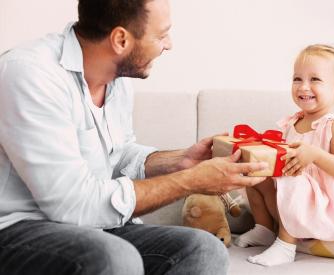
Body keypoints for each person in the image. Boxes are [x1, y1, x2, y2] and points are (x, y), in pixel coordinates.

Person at [0, 0, 269, 274]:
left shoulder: (118, 78)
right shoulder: (30, 74)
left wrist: (181, 161)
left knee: (202, 250)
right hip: (18, 231)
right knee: (115, 258)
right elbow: (73, 203)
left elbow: (119, 154)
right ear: (120, 40)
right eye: (161, 35)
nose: (169, 44)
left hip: (96, 228)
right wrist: (191, 180)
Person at [234, 44, 334, 267]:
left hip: (320, 206)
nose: (304, 87)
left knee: (292, 175)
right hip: (287, 206)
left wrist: (315, 155)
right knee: (256, 172)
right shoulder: (293, 121)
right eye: (297, 79)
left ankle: (286, 246)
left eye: (315, 80)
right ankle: (264, 228)